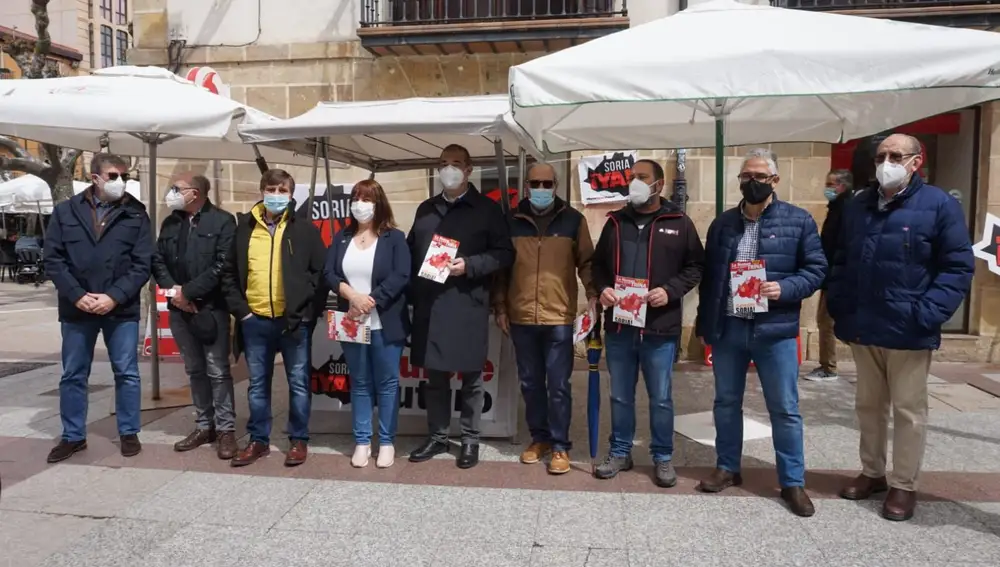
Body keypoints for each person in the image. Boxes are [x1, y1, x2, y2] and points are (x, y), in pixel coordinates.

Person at [827, 133, 974, 522]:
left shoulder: (939, 205)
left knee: (909, 410)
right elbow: (841, 259)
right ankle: (872, 472)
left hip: (909, 328)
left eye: (896, 155)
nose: (886, 162)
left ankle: (904, 484)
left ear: (916, 161)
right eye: (881, 156)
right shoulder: (858, 205)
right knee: (868, 406)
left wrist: (928, 313)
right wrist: (840, 304)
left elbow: (957, 266)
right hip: (863, 323)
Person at [694, 149, 826, 517]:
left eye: (759, 177)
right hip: (730, 326)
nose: (751, 183)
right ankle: (727, 467)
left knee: (784, 408)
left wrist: (785, 287)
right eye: (745, 176)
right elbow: (711, 281)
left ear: (775, 181)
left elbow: (817, 270)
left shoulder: (799, 221)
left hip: (775, 329)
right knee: (725, 402)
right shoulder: (722, 224)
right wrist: (706, 326)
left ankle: (792, 481)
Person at [590, 159, 705, 486]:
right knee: (621, 395)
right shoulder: (614, 222)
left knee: (661, 397)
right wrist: (603, 290)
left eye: (641, 177)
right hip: (620, 327)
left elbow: (696, 266)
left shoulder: (679, 223)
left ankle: (663, 457)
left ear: (659, 184)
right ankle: (620, 451)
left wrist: (669, 291)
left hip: (660, 326)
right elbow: (597, 266)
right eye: (631, 178)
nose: (634, 183)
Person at [407, 144, 514, 469]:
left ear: (468, 170)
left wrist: (470, 265)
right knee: (435, 378)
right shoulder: (426, 208)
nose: (448, 169)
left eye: (455, 163)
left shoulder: (487, 209)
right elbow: (410, 250)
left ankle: (470, 440)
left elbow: (504, 253)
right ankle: (438, 436)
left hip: (468, 303)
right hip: (431, 305)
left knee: (471, 379)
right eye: (443, 163)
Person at [43, 153, 152, 463]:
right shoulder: (65, 212)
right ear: (95, 178)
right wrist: (77, 295)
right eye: (114, 176)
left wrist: (114, 296)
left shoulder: (136, 213)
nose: (121, 181)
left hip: (120, 309)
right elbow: (53, 259)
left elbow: (142, 263)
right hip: (78, 309)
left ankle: (129, 432)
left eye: (125, 176)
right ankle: (73, 436)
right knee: (74, 374)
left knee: (127, 372)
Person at [492, 162, 597, 475]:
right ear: (526, 186)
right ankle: (539, 439)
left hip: (559, 317)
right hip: (521, 315)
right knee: (530, 383)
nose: (540, 189)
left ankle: (561, 444)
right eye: (534, 183)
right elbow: (501, 268)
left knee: (559, 385)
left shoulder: (573, 221)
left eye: (546, 184)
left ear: (556, 185)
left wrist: (592, 296)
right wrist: (500, 306)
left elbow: (587, 263)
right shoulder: (511, 221)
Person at [226, 169, 326, 468]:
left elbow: (319, 274)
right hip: (255, 319)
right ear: (261, 191)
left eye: (283, 191)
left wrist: (306, 311)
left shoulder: (304, 229)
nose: (277, 195)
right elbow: (229, 273)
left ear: (292, 195)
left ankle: (298, 440)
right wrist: (242, 311)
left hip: (293, 321)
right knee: (257, 384)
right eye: (271, 189)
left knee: (298, 382)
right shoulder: (243, 227)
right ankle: (258, 440)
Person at [151, 173, 239, 459]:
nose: (172, 193)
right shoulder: (171, 221)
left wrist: (189, 292)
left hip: (210, 308)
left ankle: (226, 429)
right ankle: (204, 425)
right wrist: (175, 292)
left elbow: (223, 264)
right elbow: (158, 259)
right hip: (179, 309)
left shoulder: (223, 221)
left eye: (178, 189)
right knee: (194, 370)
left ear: (196, 193)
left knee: (217, 371)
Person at [324, 179, 410, 469]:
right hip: (351, 324)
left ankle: (386, 442)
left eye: (367, 199)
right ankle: (362, 441)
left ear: (379, 203)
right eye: (357, 198)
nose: (360, 204)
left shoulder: (394, 238)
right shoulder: (342, 237)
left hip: (385, 322)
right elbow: (329, 272)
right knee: (359, 383)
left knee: (386, 384)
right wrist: (349, 294)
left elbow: (401, 275)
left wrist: (370, 300)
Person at [803, 169, 854, 382]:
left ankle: (828, 367)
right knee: (828, 321)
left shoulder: (846, 209)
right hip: (832, 274)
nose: (828, 189)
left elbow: (840, 245)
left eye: (831, 184)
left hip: (837, 276)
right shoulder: (837, 208)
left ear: (842, 186)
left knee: (826, 321)